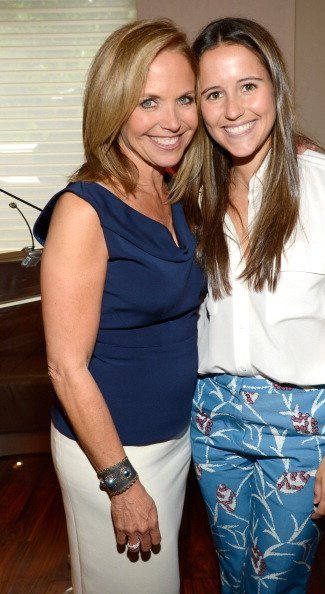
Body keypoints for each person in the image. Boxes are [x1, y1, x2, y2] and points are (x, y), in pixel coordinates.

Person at [173, 17, 325, 594]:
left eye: (249, 86)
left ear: (276, 88)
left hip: (303, 424)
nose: (233, 108)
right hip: (213, 416)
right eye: (213, 93)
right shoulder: (190, 197)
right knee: (233, 574)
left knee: (275, 584)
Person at [33, 19, 205, 594]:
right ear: (113, 106)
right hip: (115, 453)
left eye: (185, 99)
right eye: (148, 101)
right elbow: (65, 366)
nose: (173, 120)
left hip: (172, 440)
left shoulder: (171, 188)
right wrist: (121, 481)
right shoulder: (85, 211)